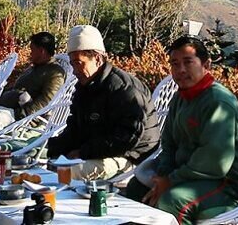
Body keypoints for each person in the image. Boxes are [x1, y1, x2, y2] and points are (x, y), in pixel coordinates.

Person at [123, 37, 238, 224]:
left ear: (206, 65)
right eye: (174, 63)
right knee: (136, 187)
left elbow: (215, 162)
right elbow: (169, 144)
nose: (180, 70)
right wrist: (163, 176)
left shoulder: (218, 102)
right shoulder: (179, 99)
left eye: (188, 62)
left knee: (173, 201)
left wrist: (171, 181)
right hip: (191, 176)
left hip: (230, 184)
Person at [46, 25, 160, 181]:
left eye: (79, 63)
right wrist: (55, 149)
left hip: (133, 157)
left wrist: (83, 152)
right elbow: (75, 126)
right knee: (54, 164)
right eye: (72, 64)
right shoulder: (85, 87)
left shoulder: (125, 89)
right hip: (100, 151)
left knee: (70, 172)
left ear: (98, 58)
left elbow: (127, 138)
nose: (75, 71)